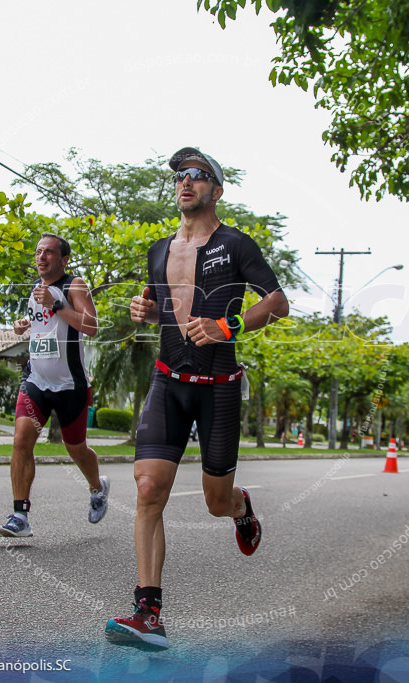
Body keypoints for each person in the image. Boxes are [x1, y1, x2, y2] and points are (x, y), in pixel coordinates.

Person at [105, 148, 289, 649]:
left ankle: (240, 508)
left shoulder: (237, 243)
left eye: (198, 175)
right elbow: (156, 301)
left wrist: (227, 324)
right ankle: (149, 613)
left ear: (216, 189)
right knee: (148, 490)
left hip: (220, 390)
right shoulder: (159, 249)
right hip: (169, 381)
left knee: (214, 503)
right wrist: (143, 308)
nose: (186, 182)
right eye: (180, 176)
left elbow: (277, 302)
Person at [0, 233, 110, 538]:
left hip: (70, 385)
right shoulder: (36, 291)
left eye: (48, 252)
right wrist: (25, 324)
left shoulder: (75, 285)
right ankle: (20, 515)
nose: (41, 257)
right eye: (38, 252)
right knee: (22, 440)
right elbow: (45, 324)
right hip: (36, 381)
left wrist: (58, 304)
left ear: (64, 259)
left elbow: (92, 326)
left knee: (76, 449)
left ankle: (97, 487)